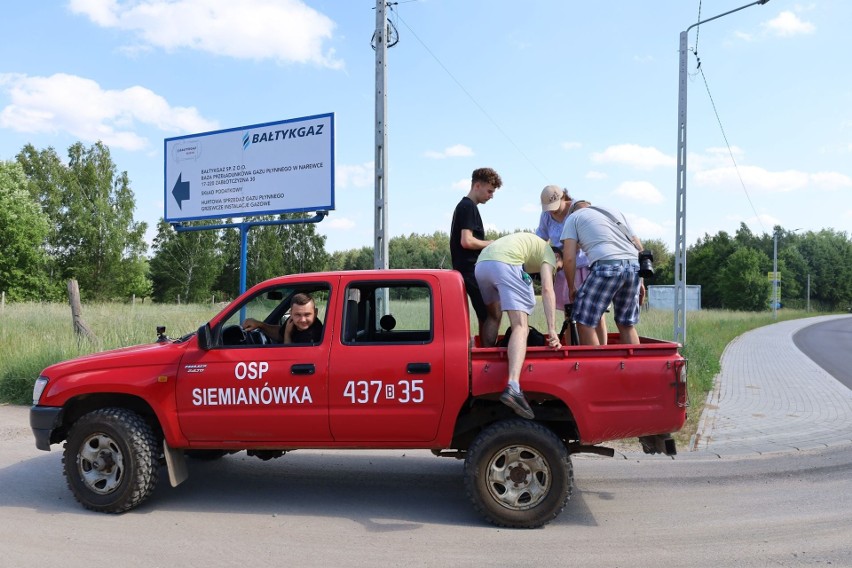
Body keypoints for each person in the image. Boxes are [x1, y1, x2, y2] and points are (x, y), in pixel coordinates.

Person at [475, 232, 562, 419]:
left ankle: (486, 367)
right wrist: (552, 330)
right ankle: (513, 385)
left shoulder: (528, 247)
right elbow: (547, 289)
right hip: (505, 263)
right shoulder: (548, 253)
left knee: (493, 316)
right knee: (520, 326)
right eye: (558, 268)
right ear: (557, 257)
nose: (556, 271)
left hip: (482, 264)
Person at [561, 200, 646, 346]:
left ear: (573, 211)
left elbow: (568, 258)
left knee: (584, 321)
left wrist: (571, 287)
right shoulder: (614, 212)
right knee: (626, 324)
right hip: (633, 267)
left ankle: (595, 367)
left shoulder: (573, 218)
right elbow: (639, 247)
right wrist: (641, 282)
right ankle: (636, 367)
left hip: (606, 267)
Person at [535, 185, 607, 344]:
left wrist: (566, 249)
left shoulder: (577, 208)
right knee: (570, 315)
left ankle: (603, 351)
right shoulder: (546, 216)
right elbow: (540, 239)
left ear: (563, 198)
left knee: (596, 313)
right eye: (548, 208)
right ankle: (571, 352)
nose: (552, 211)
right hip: (563, 269)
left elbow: (588, 235)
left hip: (585, 267)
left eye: (554, 207)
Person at [450, 167, 502, 342]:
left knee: (485, 314)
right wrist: (491, 244)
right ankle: (488, 358)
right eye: (489, 191)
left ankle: (483, 356)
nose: (491, 196)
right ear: (477, 186)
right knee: (493, 314)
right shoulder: (467, 206)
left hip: (468, 270)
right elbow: (467, 241)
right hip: (471, 270)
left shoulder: (465, 206)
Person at [242, 292, 323, 344]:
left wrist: (287, 334)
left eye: (307, 314)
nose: (302, 320)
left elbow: (290, 356)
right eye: (297, 315)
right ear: (291, 313)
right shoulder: (292, 321)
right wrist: (259, 324)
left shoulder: (315, 333)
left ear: (315, 313)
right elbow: (280, 333)